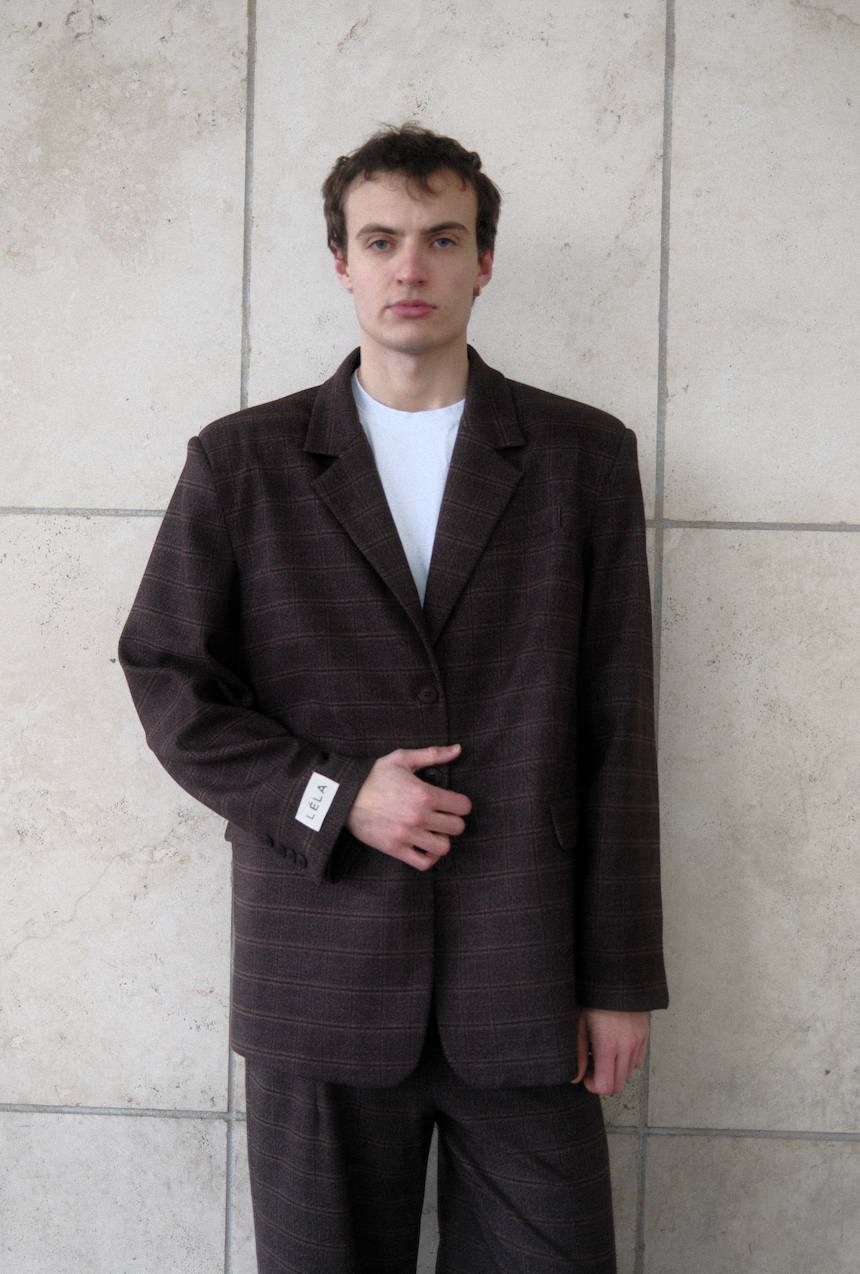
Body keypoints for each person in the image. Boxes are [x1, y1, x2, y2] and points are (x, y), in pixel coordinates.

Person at [119, 124, 668, 1274]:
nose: (409, 266)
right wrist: (334, 795)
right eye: (379, 240)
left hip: (527, 977)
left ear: (483, 261)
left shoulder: (582, 457)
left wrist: (618, 978)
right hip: (318, 975)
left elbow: (618, 734)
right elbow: (169, 678)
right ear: (341, 262)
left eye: (441, 238)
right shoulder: (242, 461)